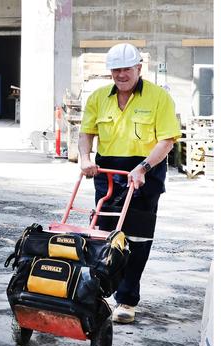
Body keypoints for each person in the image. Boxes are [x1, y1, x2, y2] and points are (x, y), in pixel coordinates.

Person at [78, 43, 180, 324]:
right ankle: (98, 292)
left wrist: (143, 167)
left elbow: (167, 140)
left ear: (139, 68)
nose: (121, 75)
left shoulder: (159, 98)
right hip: (108, 173)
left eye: (126, 69)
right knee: (104, 237)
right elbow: (86, 133)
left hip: (145, 172)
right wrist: (85, 158)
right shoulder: (98, 98)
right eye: (116, 70)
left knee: (136, 239)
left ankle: (126, 300)